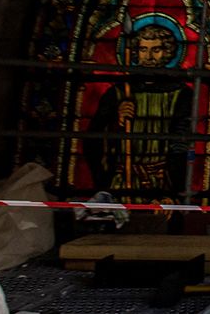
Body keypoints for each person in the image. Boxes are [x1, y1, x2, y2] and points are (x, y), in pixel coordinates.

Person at [82, 20, 191, 196]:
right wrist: (116, 122)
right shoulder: (118, 93)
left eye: (156, 50)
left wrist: (173, 190)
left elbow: (180, 143)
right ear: (136, 53)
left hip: (160, 184)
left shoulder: (180, 94)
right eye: (143, 50)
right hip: (121, 182)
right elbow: (92, 139)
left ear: (167, 52)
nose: (148, 57)